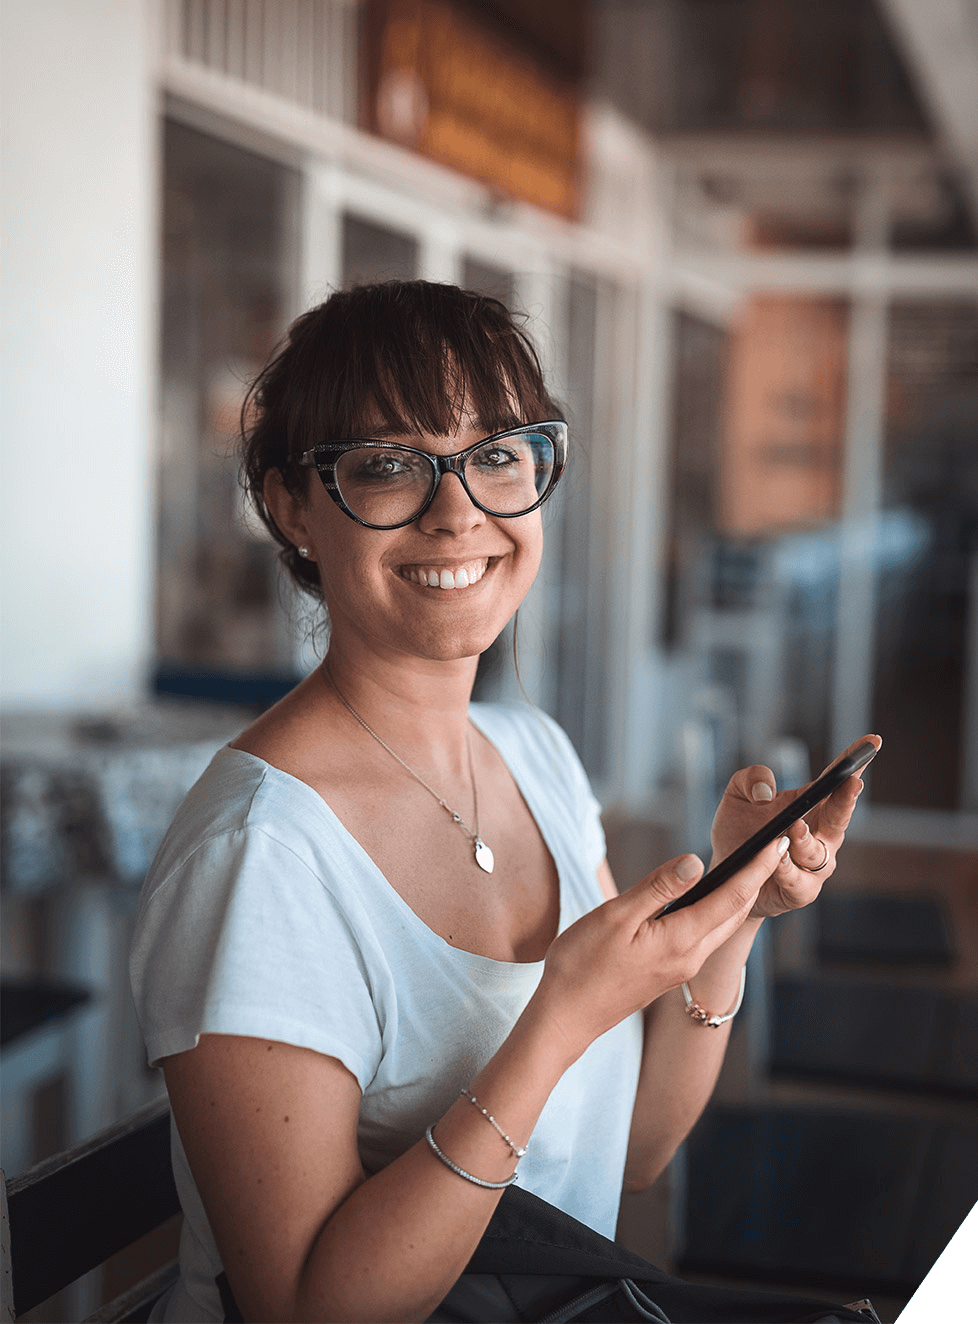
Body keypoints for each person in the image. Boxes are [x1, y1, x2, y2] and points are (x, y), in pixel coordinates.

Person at [130, 280, 876, 1324]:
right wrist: (558, 1016)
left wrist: (733, 914)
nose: (459, 511)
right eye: (390, 465)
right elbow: (309, 1309)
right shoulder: (260, 853)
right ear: (291, 504)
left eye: (496, 456)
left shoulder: (535, 754)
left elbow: (638, 1150)